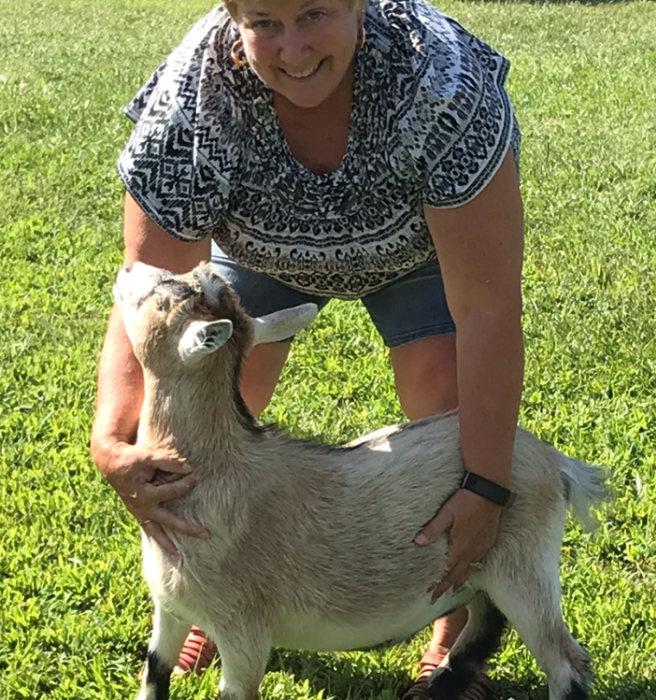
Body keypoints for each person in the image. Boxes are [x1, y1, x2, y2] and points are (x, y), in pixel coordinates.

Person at [91, 0, 524, 697]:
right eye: (263, 21)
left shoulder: (441, 84)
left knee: (444, 398)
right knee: (212, 391)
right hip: (261, 247)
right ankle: (224, 582)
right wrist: (113, 441)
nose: (291, 48)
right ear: (233, 19)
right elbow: (147, 292)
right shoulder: (192, 103)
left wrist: (486, 484)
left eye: (314, 12)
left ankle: (454, 630)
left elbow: (488, 308)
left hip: (419, 248)